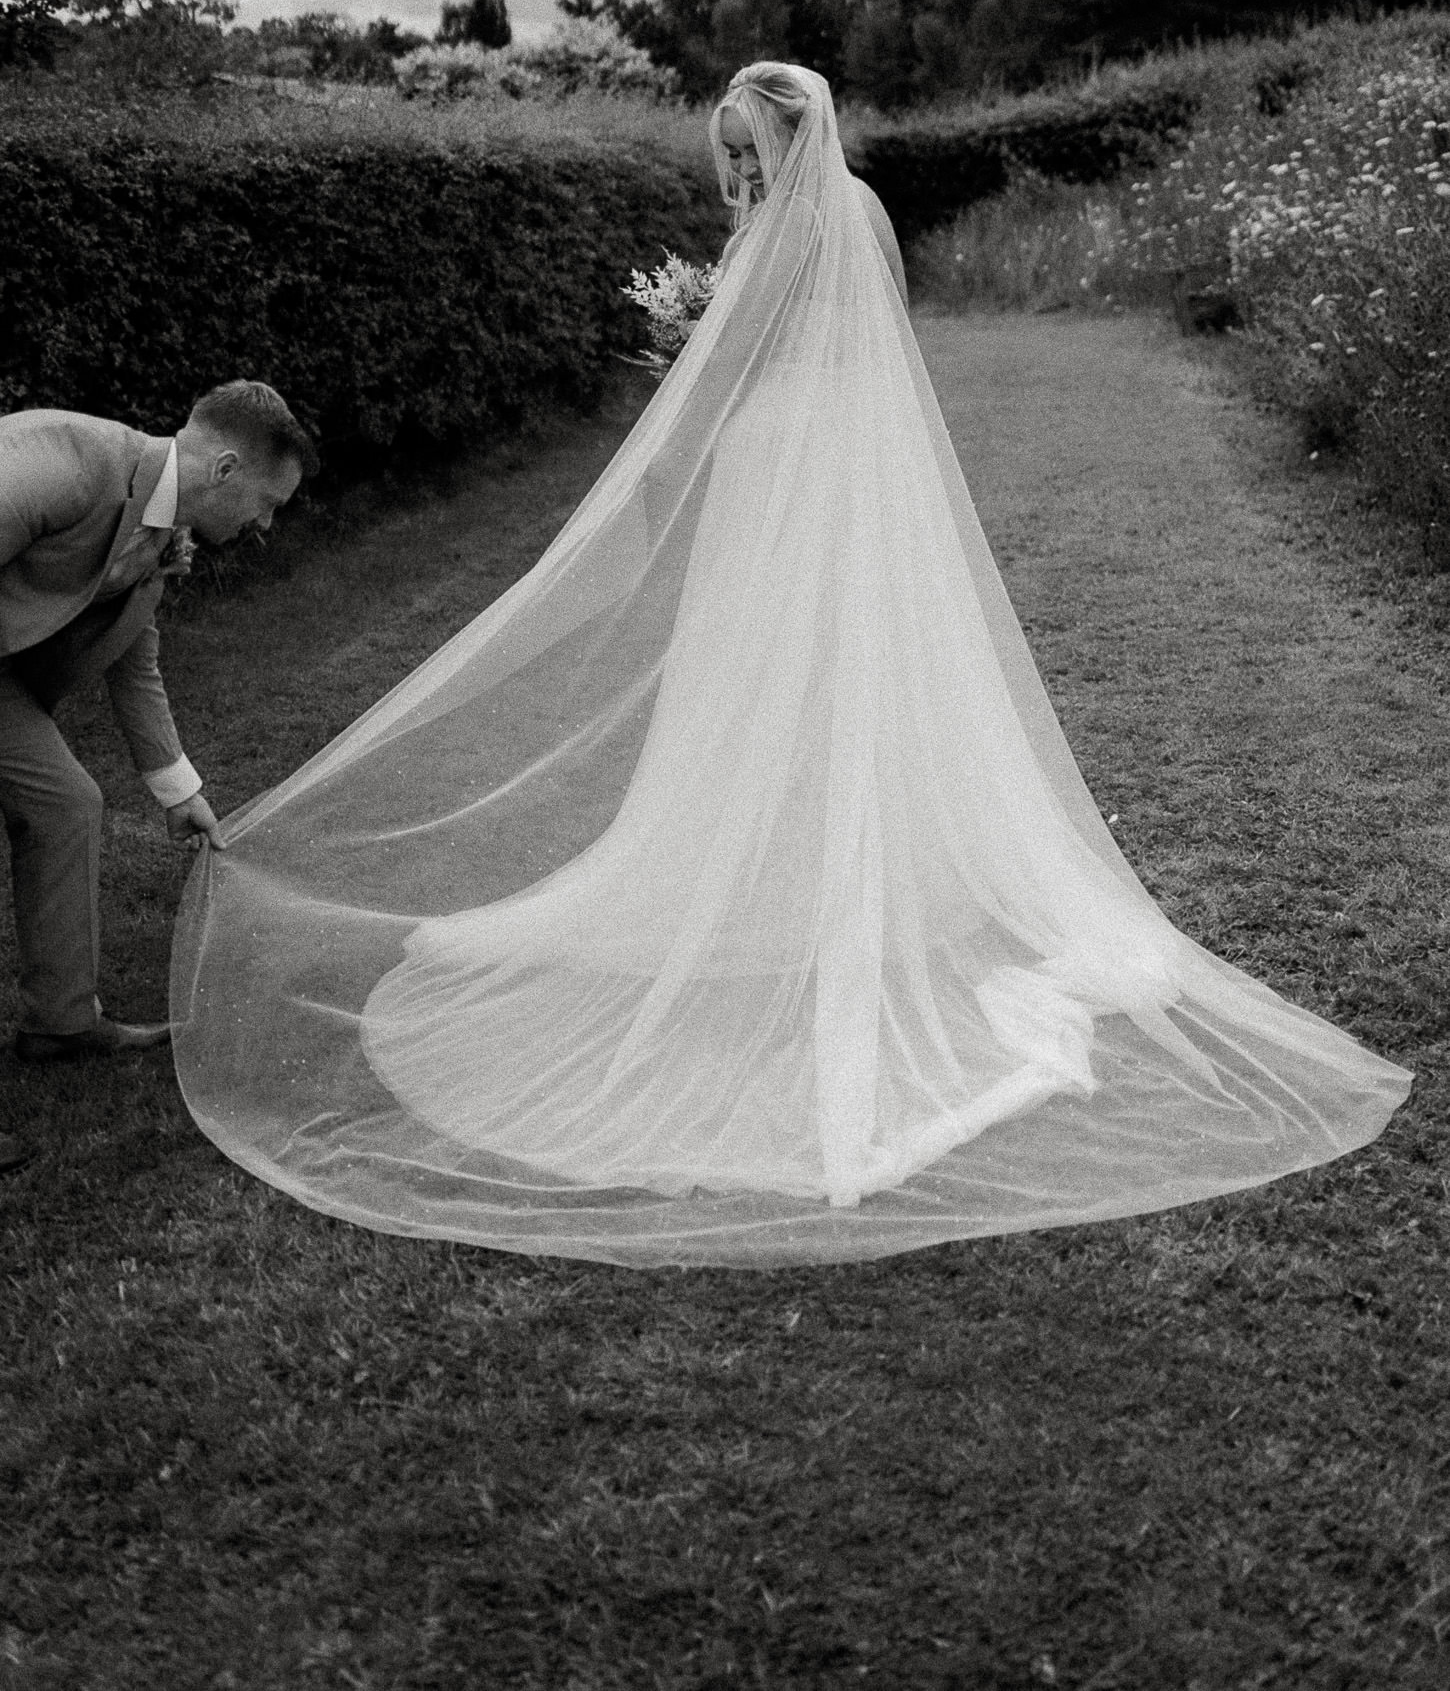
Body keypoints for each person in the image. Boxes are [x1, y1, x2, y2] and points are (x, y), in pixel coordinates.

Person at [170, 66, 1409, 1267]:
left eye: (750, 155)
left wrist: (685, 360)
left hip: (785, 469)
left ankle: (815, 893)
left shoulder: (800, 223)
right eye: (733, 161)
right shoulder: (861, 209)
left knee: (789, 679)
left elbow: (743, 366)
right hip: (832, 471)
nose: (742, 177)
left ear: (792, 133)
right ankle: (796, 875)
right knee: (802, 681)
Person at [0, 380, 317, 1172]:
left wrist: (182, 796)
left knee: (67, 802)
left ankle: (61, 1024)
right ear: (226, 468)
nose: (266, 526)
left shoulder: (165, 536)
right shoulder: (67, 460)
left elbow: (134, 664)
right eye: (268, 504)